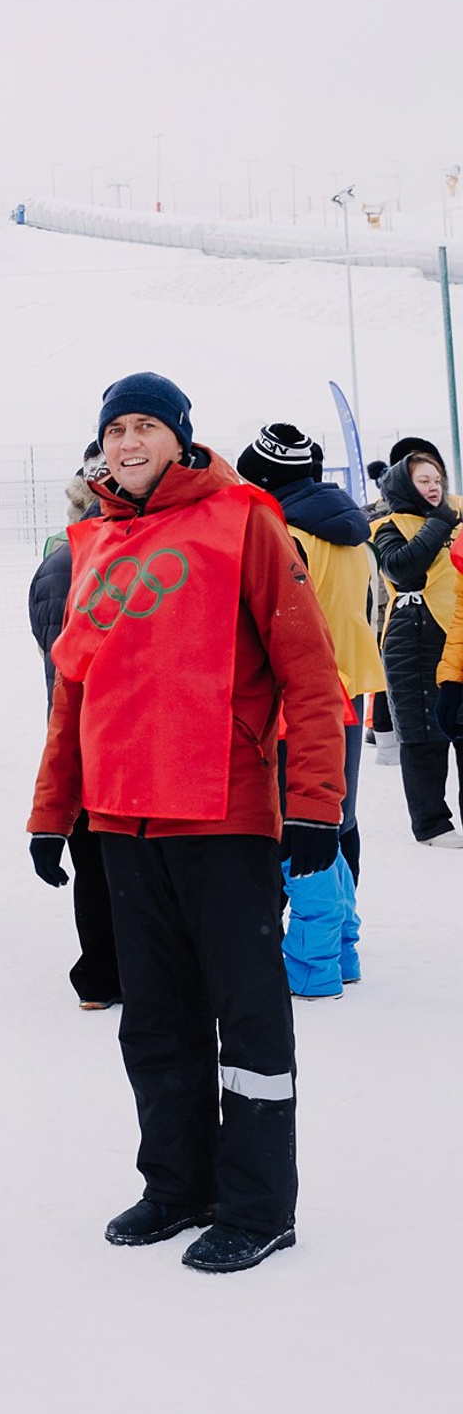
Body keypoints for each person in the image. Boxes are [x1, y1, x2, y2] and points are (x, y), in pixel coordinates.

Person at [28, 373, 346, 1274]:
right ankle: (177, 1184)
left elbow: (310, 670)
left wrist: (316, 801)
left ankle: (257, 1204)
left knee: (247, 1020)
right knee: (155, 1019)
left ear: (179, 437)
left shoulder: (243, 520)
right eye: (114, 429)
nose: (127, 442)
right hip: (123, 822)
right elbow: (71, 692)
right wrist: (54, 812)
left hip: (222, 811)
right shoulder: (93, 541)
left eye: (145, 427)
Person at [237, 424, 381, 996]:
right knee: (335, 820)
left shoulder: (284, 531)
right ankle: (343, 946)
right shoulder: (350, 530)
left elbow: (284, 622)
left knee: (296, 827)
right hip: (352, 686)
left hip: (302, 696)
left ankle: (312, 964)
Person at [26, 448, 123, 1009]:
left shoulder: (65, 554)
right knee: (98, 856)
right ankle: (104, 974)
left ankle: (102, 974)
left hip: (81, 729)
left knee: (95, 859)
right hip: (88, 726)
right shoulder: (75, 558)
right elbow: (63, 649)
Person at [369, 446, 463, 848]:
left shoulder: (457, 514)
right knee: (423, 730)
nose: (433, 488)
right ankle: (431, 824)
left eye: (437, 480)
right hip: (414, 634)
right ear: (406, 484)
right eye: (424, 481)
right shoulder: (388, 524)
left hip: (456, 628)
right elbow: (401, 568)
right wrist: (439, 524)